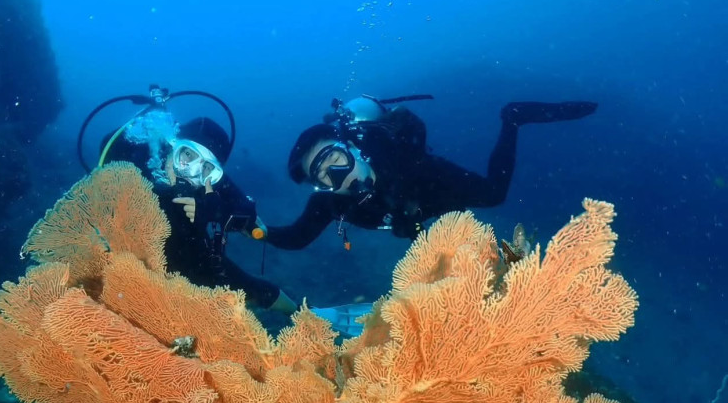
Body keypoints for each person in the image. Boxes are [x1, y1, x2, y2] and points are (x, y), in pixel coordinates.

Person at [263, 95, 598, 249]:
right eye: (323, 176)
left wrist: (403, 206)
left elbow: (412, 138)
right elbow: (297, 237)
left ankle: (512, 117)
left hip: (426, 184)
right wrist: (254, 228)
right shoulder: (330, 203)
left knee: (493, 195)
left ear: (351, 147)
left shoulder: (391, 152)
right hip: (418, 212)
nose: (338, 176)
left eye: (335, 159)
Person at [102, 113, 298, 315]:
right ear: (174, 145)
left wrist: (215, 210)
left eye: (207, 167)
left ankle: (303, 314)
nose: (193, 170)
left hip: (188, 252)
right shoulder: (138, 161)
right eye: (188, 154)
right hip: (125, 250)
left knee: (254, 289)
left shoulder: (209, 182)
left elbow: (247, 212)